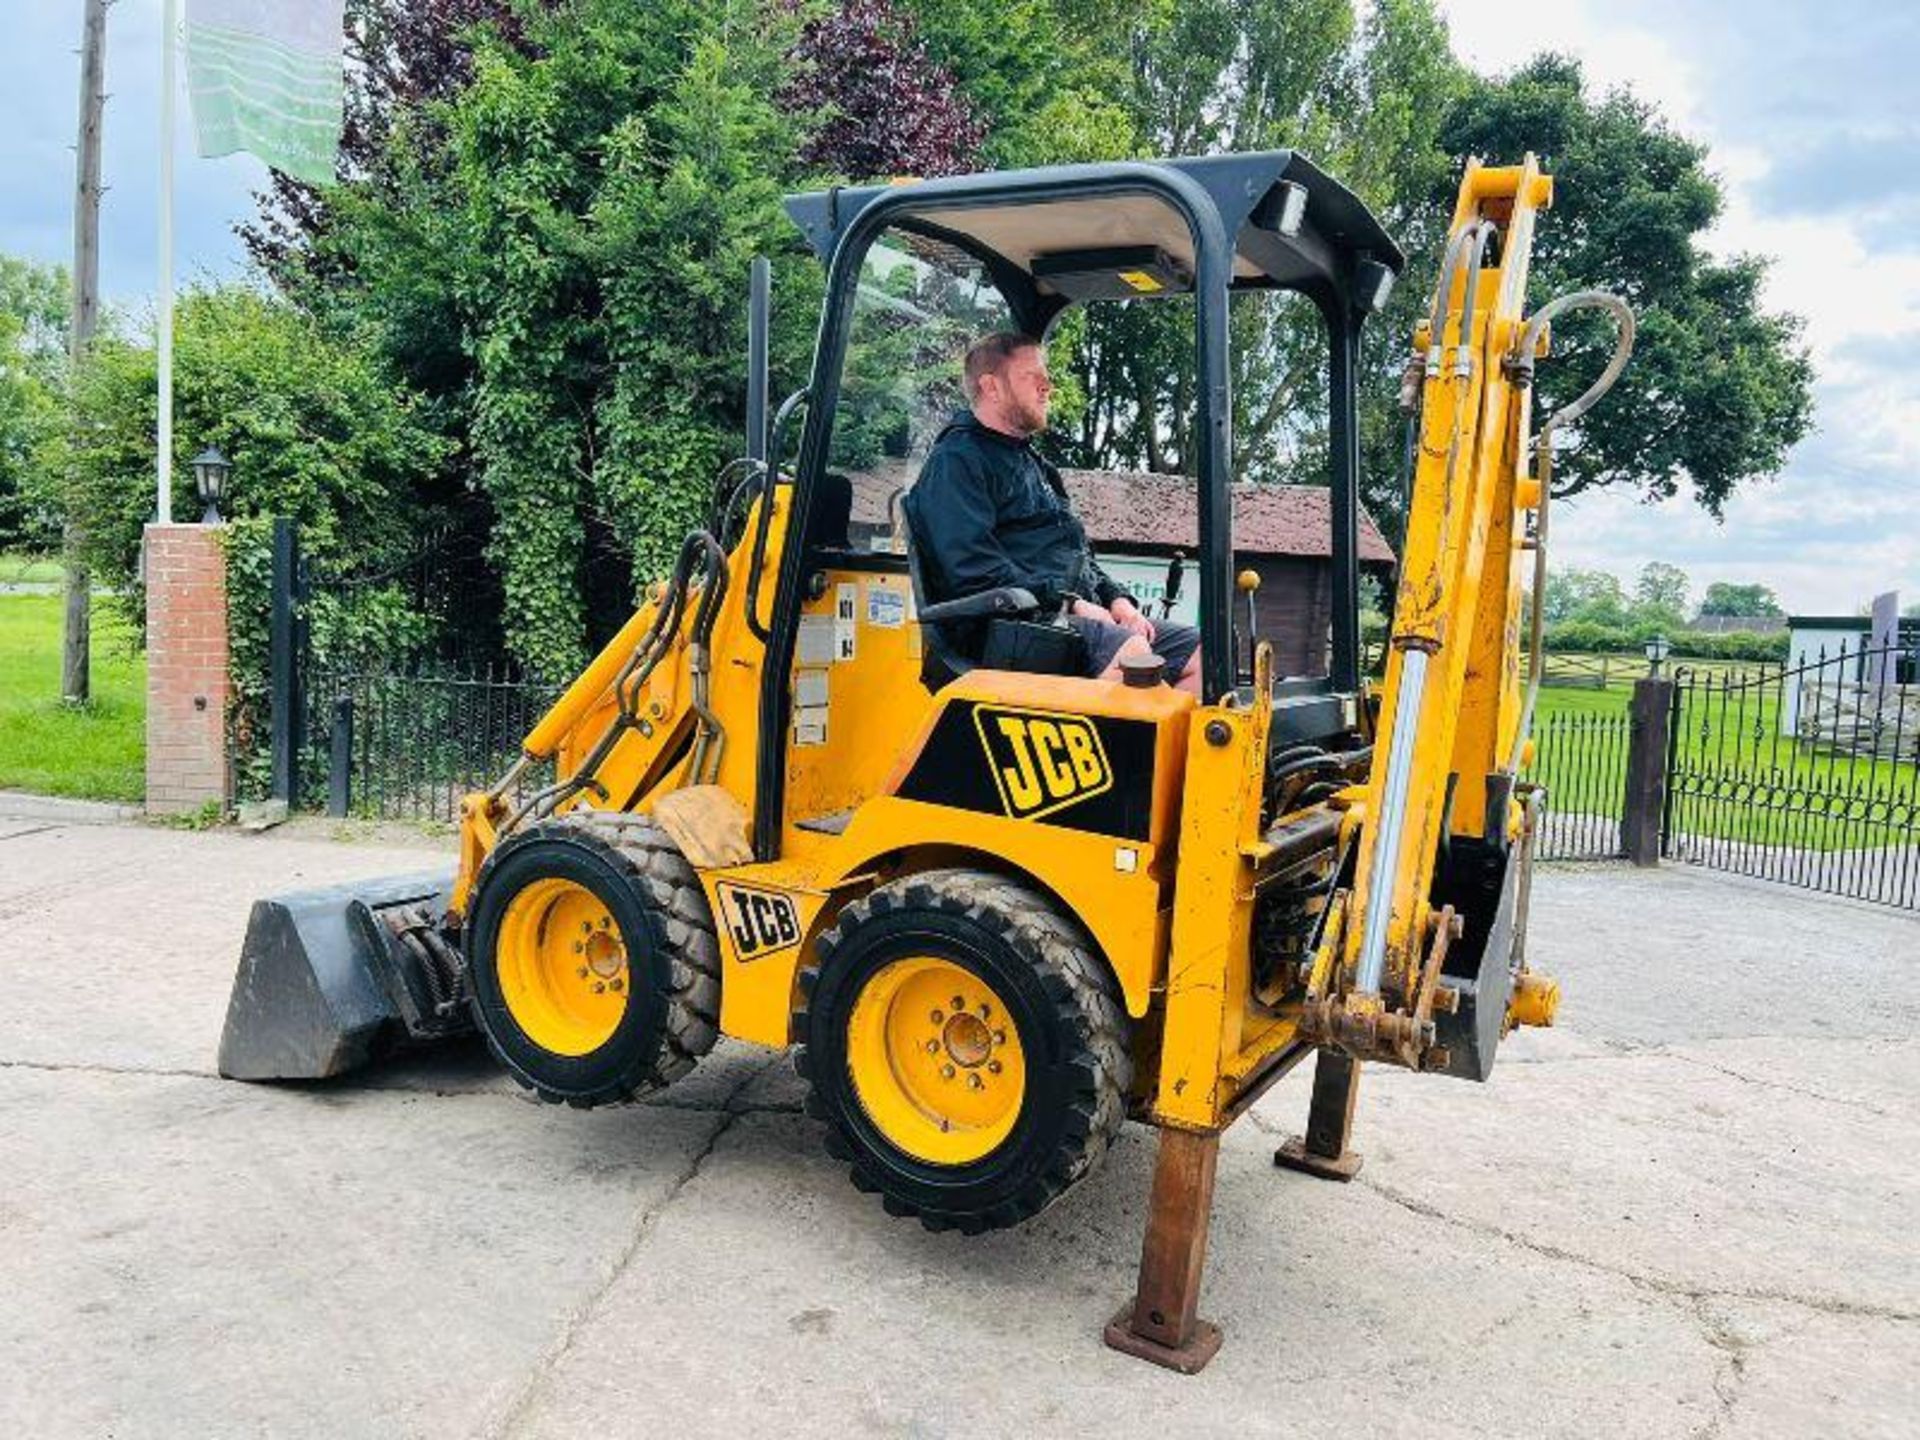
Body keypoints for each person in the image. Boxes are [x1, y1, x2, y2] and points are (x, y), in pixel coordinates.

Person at [902, 332, 1203, 694]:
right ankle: (1117, 748)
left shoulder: (1037, 467)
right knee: (1133, 656)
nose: (1048, 386)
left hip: (1056, 618)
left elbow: (1079, 557)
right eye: (1033, 375)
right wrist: (1072, 604)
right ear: (991, 386)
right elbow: (973, 572)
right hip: (1000, 630)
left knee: (1206, 653)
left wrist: (1116, 599)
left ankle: (1160, 750)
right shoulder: (957, 462)